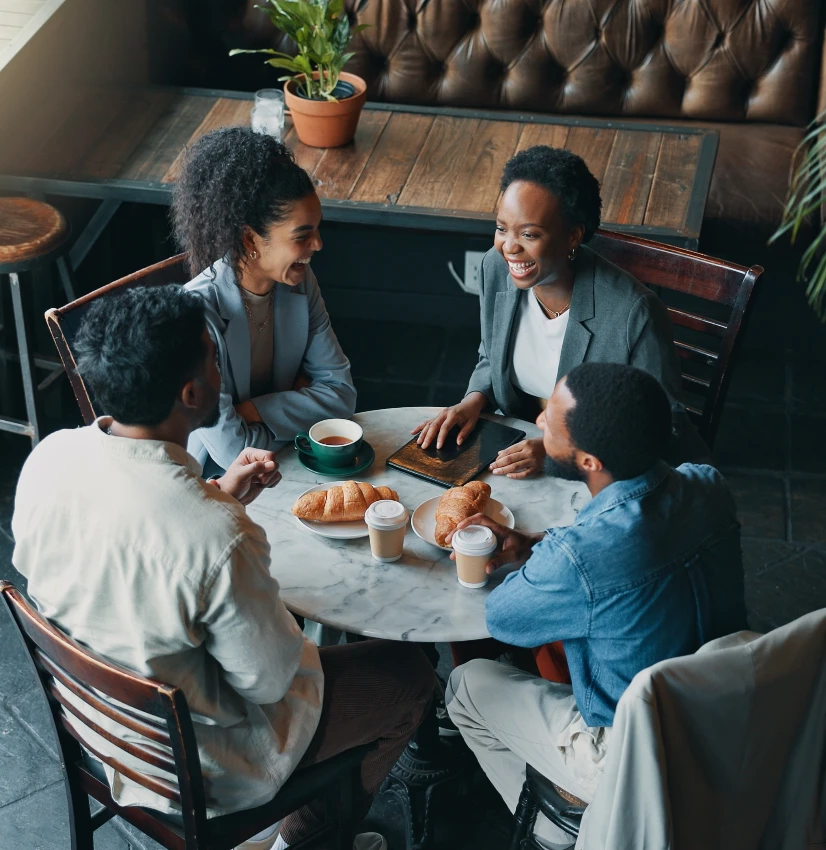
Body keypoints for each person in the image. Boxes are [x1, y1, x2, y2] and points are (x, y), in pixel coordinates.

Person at [11, 286, 433, 850]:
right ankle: (307, 839)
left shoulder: (50, 458)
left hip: (101, 727)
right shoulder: (217, 534)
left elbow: (124, 535)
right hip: (199, 767)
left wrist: (217, 495)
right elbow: (270, 680)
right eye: (215, 358)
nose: (222, 370)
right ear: (190, 393)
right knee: (409, 675)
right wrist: (219, 521)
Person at [445, 363, 747, 849]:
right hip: (725, 720)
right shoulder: (709, 486)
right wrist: (535, 545)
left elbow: (502, 618)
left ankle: (561, 833)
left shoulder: (577, 557)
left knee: (466, 685)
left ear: (587, 460)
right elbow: (631, 543)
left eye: (550, 421)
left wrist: (551, 557)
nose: (538, 422)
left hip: (630, 759)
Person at [413, 145, 708, 477]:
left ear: (573, 236)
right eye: (502, 228)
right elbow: (490, 355)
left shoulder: (633, 313)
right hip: (514, 448)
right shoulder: (494, 268)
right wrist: (474, 399)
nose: (509, 247)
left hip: (606, 472)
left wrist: (556, 451)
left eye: (529, 234)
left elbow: (662, 425)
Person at [171, 128, 356, 476]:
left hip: (290, 462)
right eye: (302, 235)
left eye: (317, 229)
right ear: (249, 239)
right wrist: (299, 404)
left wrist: (252, 411)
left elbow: (342, 396)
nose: (318, 245)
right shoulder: (196, 313)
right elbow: (232, 451)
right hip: (214, 477)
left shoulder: (300, 283)